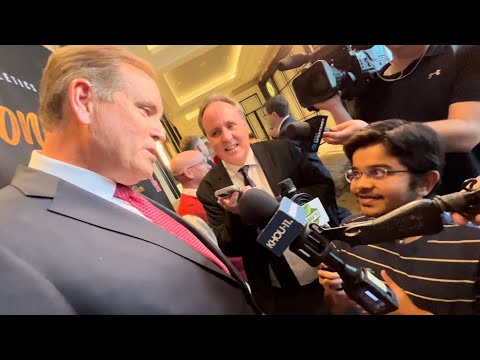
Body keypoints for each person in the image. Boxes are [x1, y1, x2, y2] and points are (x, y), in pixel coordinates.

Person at [0, 45, 258, 315]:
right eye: (146, 110)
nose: (161, 134)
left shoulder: (133, 199)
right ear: (84, 101)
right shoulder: (7, 239)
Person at [196, 93, 349, 314]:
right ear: (209, 141)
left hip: (330, 265)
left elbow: (324, 189)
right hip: (282, 292)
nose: (227, 137)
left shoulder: (283, 149)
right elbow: (229, 246)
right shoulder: (209, 188)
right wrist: (237, 215)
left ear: (245, 124)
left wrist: (278, 207)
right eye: (215, 133)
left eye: (231, 125)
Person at [318, 119, 480, 315]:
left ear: (426, 183)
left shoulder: (473, 246)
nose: (359, 186)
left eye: (377, 172)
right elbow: (339, 309)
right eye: (356, 173)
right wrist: (337, 296)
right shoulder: (349, 233)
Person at [313, 45, 480, 195]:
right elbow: (366, 146)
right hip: (406, 208)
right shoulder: (373, 85)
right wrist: (334, 106)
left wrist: (376, 132)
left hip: (464, 200)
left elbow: (467, 132)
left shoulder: (463, 53)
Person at [170, 150, 248, 281]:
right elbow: (215, 256)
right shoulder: (189, 214)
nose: (210, 166)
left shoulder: (211, 194)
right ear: (188, 173)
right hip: (243, 273)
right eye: (203, 162)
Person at [264, 95, 335, 182]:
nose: (265, 119)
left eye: (265, 115)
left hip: (314, 180)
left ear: (274, 115)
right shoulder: (292, 123)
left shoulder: (286, 132)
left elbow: (294, 164)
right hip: (319, 172)